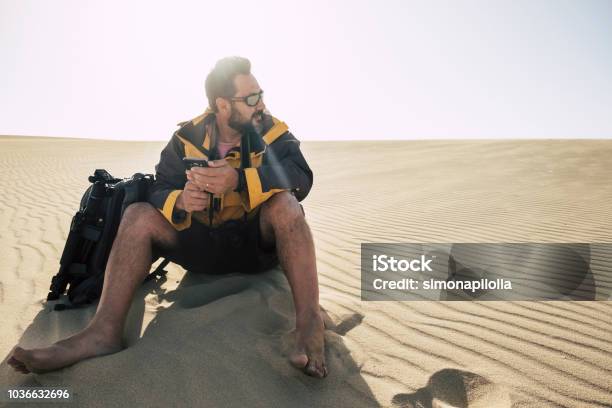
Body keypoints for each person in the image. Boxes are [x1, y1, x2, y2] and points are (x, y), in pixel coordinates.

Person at [8, 56, 327, 378]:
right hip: (200, 246)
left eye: (261, 94)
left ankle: (309, 323)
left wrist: (240, 179)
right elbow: (160, 187)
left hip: (255, 248)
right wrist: (181, 201)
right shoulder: (186, 138)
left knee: (286, 204)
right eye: (252, 98)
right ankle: (102, 333)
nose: (262, 105)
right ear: (223, 105)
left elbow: (301, 177)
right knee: (138, 214)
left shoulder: (274, 132)